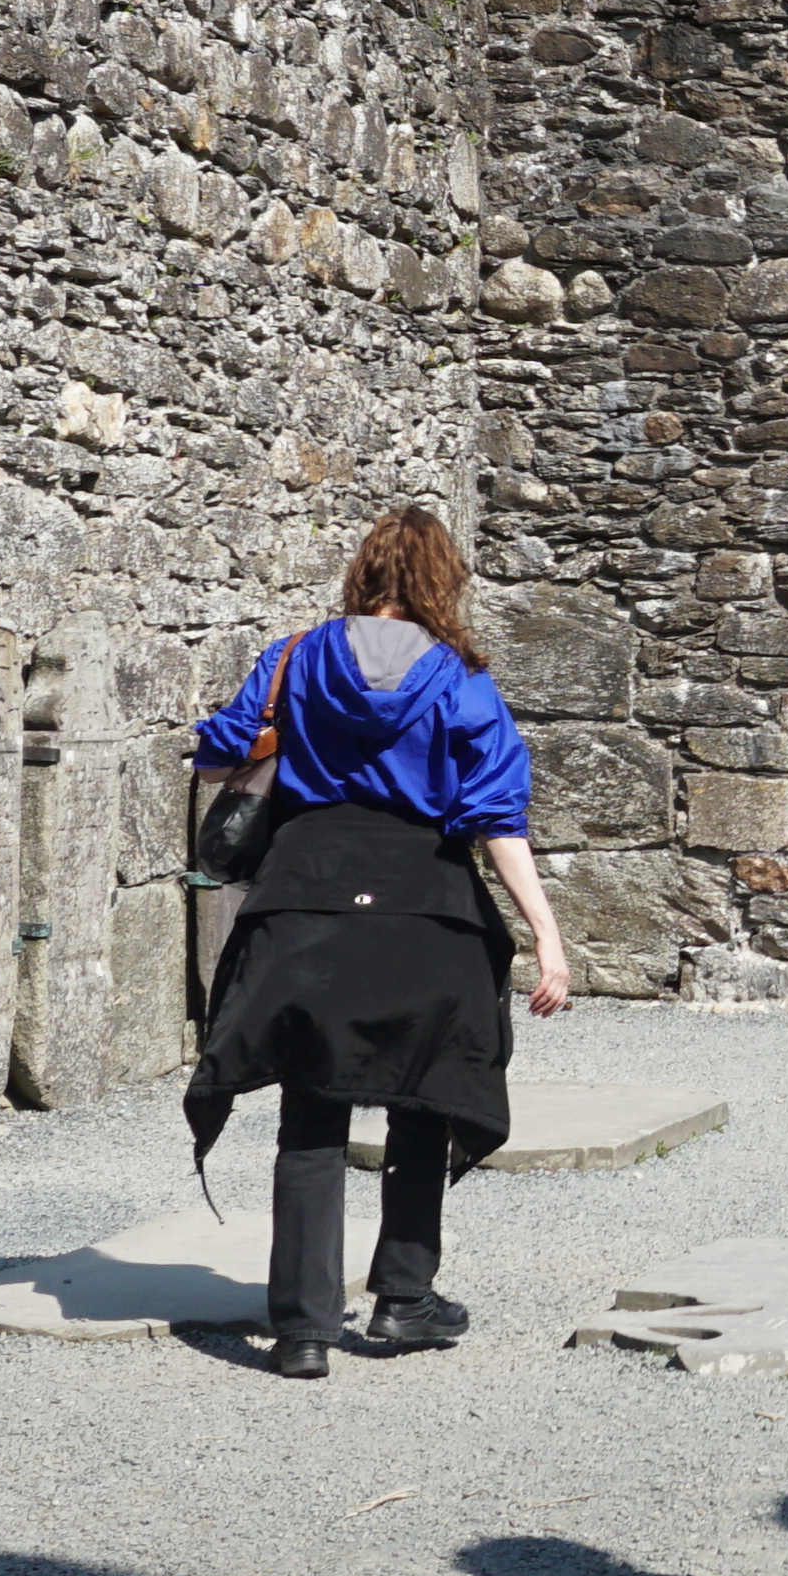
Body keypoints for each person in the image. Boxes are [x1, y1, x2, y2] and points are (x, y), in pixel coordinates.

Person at [184, 506, 578, 1381]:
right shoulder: (463, 680)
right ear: (445, 582)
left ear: (363, 574)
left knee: (311, 1111)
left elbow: (214, 756)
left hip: (304, 901)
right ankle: (404, 1301)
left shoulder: (293, 657)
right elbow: (497, 818)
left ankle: (302, 1331)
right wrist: (547, 937)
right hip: (424, 907)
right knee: (423, 1101)